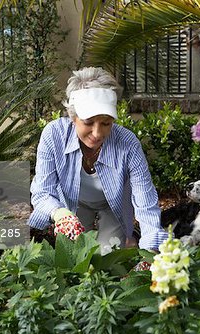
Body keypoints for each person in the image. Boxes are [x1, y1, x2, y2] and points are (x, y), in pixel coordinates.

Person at [29, 67, 168, 253]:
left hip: (113, 205)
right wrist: (60, 214)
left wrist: (151, 250)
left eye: (106, 123)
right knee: (76, 257)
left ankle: (130, 238)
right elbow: (42, 191)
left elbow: (145, 202)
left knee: (109, 256)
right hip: (72, 204)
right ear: (73, 117)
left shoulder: (127, 143)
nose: (97, 133)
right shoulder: (53, 135)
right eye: (88, 122)